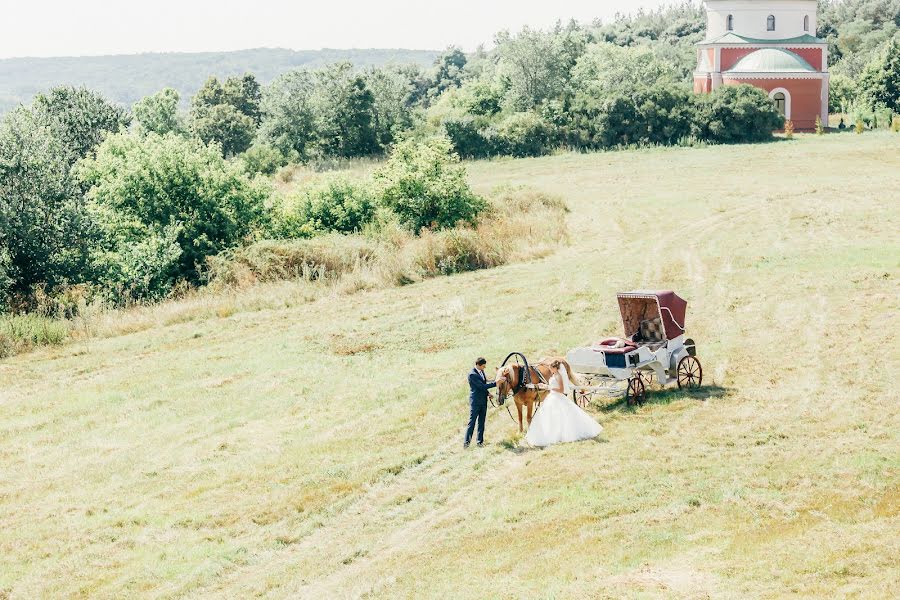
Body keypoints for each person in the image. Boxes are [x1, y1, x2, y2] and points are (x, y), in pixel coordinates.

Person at [525, 360, 602, 447]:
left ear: (555, 368)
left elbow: (561, 390)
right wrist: (544, 386)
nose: (549, 369)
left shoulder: (558, 376)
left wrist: (548, 387)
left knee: (560, 415)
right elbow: (553, 386)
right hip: (552, 396)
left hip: (557, 397)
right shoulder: (554, 375)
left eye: (551, 367)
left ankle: (559, 434)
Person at [465, 357, 505, 448]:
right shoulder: (472, 374)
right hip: (475, 401)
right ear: (478, 365)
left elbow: (483, 386)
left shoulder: (481, 372)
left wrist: (488, 393)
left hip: (483, 400)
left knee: (481, 422)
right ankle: (466, 443)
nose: (485, 367)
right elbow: (481, 386)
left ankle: (480, 442)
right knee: (472, 422)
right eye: (483, 366)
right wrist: (496, 383)